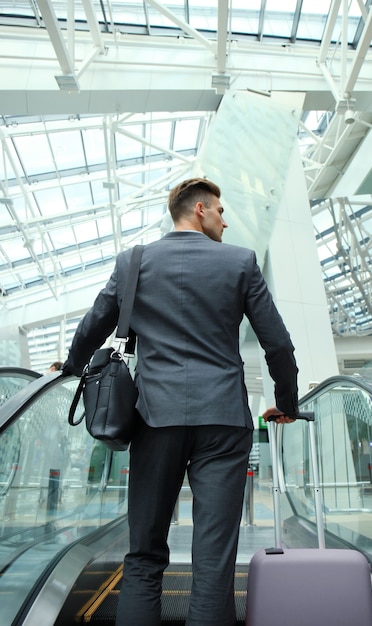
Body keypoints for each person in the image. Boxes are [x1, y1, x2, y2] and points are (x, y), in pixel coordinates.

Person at [62, 177, 299, 626]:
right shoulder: (240, 263)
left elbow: (94, 324)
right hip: (224, 422)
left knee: (145, 553)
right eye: (222, 212)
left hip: (155, 419)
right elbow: (279, 345)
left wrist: (73, 366)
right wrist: (286, 400)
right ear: (201, 210)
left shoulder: (134, 262)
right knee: (213, 560)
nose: (226, 223)